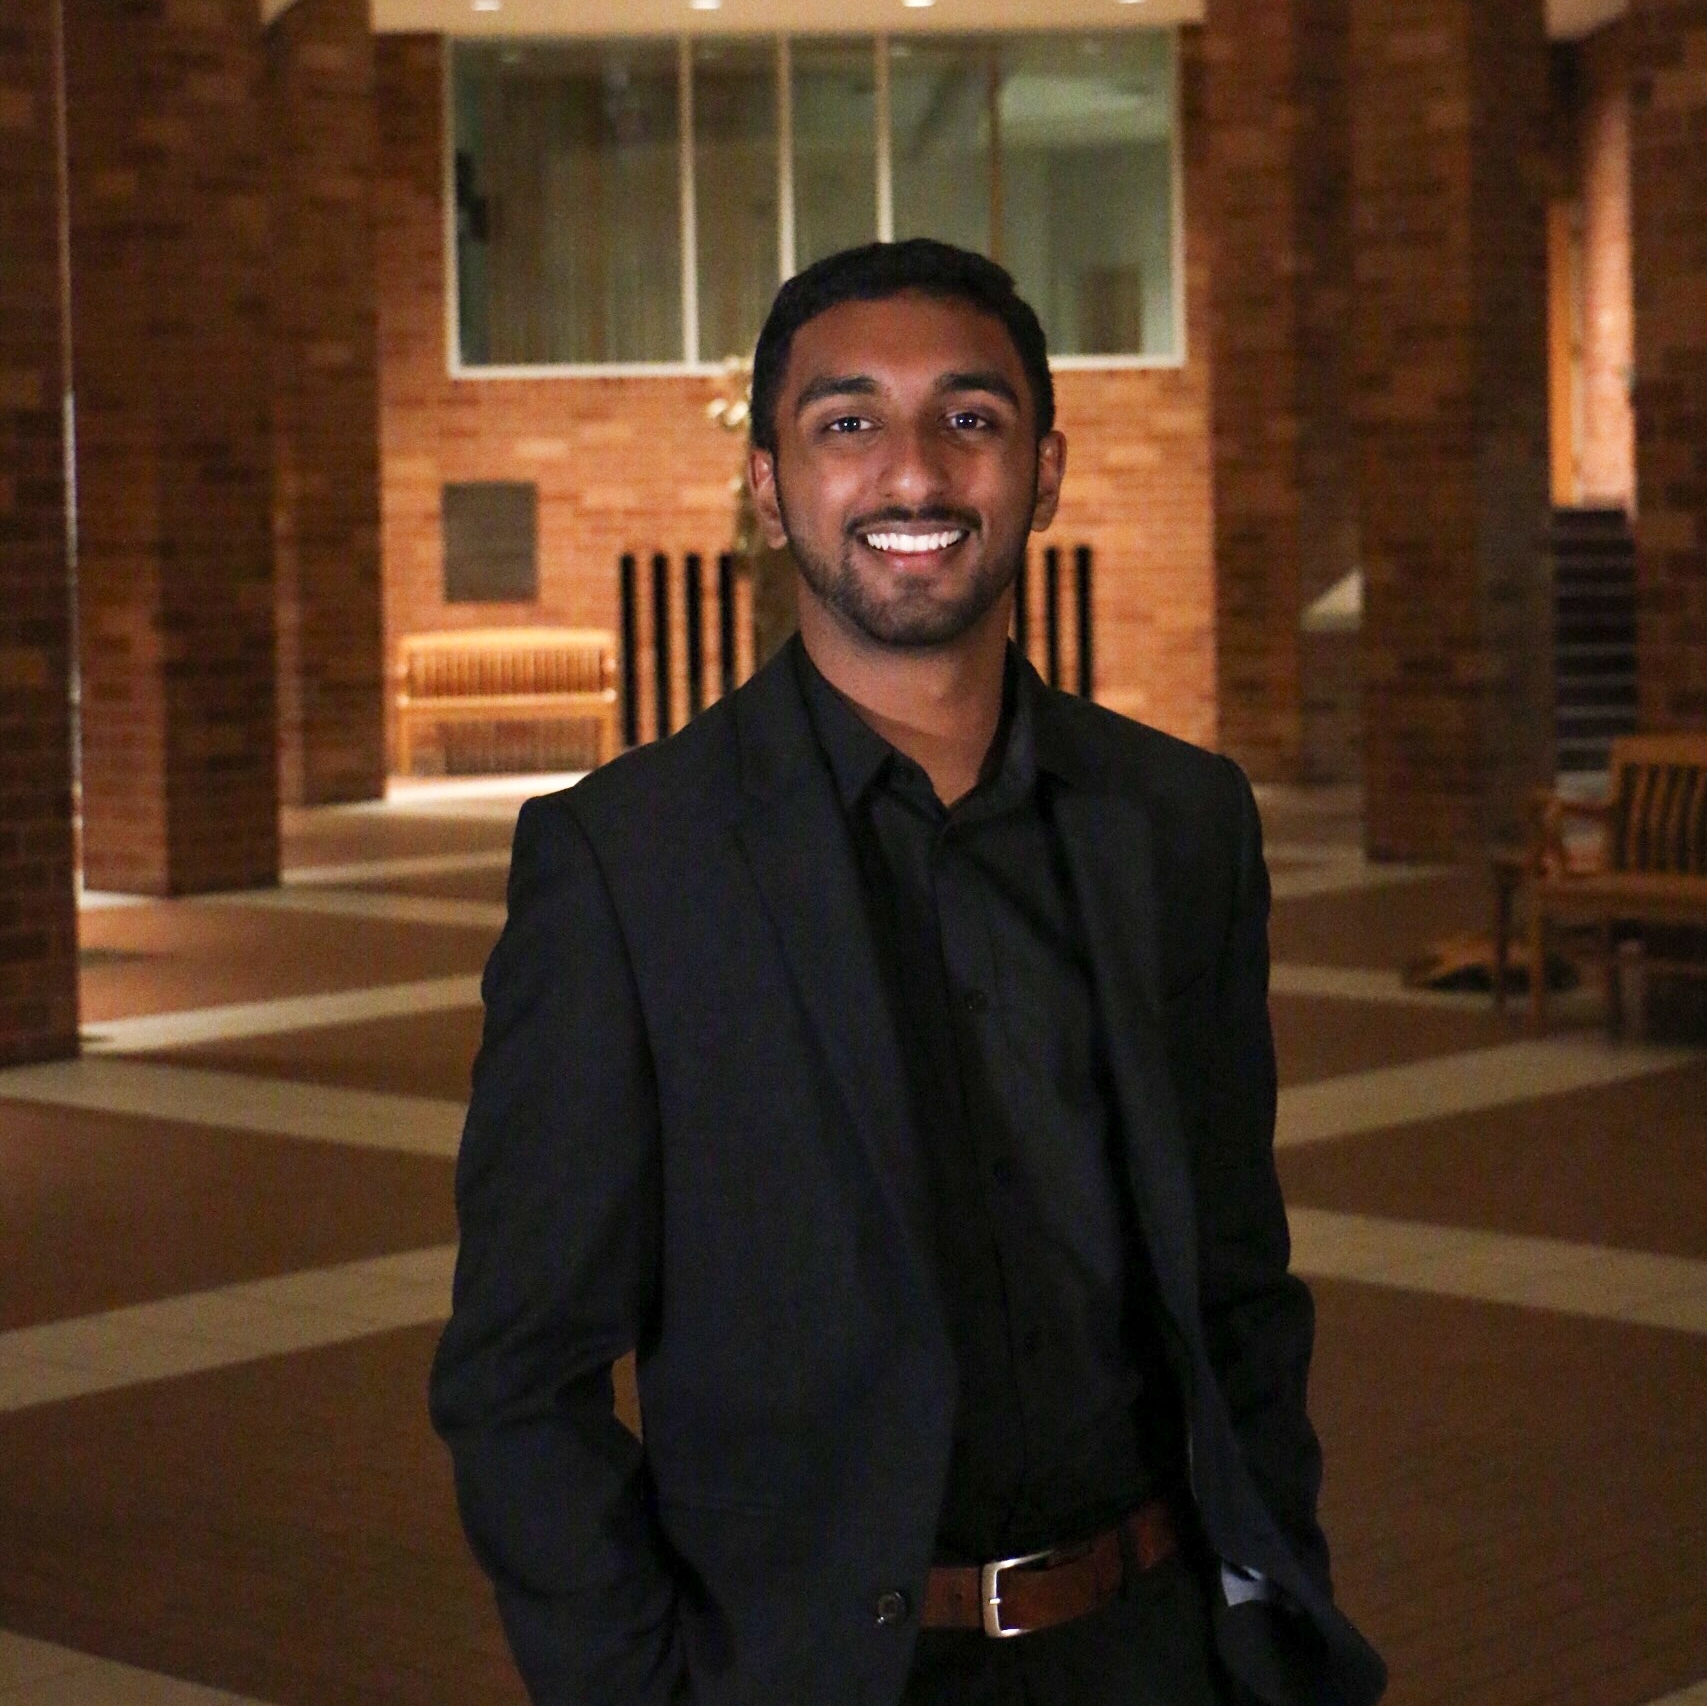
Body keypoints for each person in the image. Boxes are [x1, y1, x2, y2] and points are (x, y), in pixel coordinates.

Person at [430, 239, 1386, 1706]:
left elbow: (1240, 1283)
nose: (916, 474)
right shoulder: (627, 867)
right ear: (771, 485)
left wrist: (1267, 1599)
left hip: (1155, 1651)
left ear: (1044, 468)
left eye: (971, 416)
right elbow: (516, 1377)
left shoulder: (1182, 826)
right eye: (848, 421)